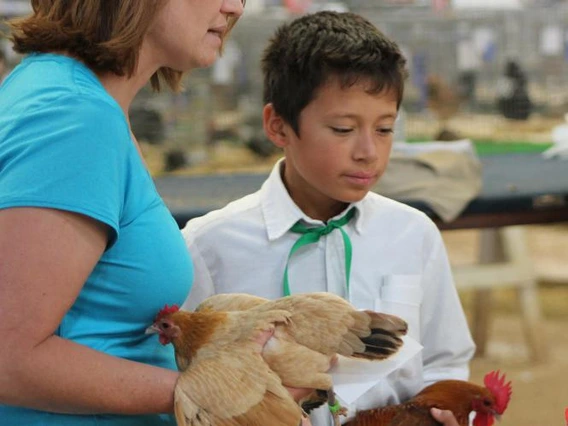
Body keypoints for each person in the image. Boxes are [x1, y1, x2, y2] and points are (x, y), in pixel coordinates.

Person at [182, 11, 475, 426]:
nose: (368, 152)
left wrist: (440, 408)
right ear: (278, 126)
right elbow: (189, 378)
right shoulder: (211, 246)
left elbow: (446, 358)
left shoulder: (413, 234)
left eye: (385, 129)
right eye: (342, 129)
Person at [0, 1, 255, 425]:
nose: (235, 7)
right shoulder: (75, 117)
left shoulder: (73, 98)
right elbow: (9, 356)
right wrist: (213, 391)